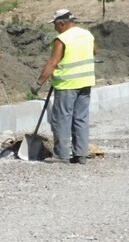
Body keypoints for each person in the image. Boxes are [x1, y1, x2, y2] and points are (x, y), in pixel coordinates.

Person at [30, 9, 96, 164]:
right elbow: (93, 51)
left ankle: (61, 155)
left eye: (55, 24)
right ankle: (81, 154)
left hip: (67, 84)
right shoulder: (87, 35)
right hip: (86, 82)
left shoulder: (62, 39)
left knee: (62, 119)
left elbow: (52, 63)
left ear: (62, 23)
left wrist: (38, 83)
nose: (54, 28)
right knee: (81, 118)